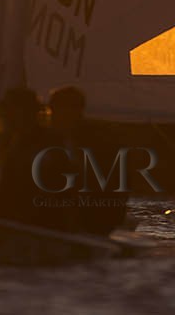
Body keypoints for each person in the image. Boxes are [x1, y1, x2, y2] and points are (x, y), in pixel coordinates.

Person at [45, 85, 129, 236]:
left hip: (94, 218)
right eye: (53, 111)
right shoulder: (47, 141)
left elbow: (113, 187)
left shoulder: (99, 143)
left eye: (61, 111)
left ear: (77, 111)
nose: (54, 117)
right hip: (57, 218)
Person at [0, 87, 47, 226]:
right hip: (8, 223)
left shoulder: (45, 143)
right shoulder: (11, 140)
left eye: (10, 111)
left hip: (28, 228)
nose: (5, 116)